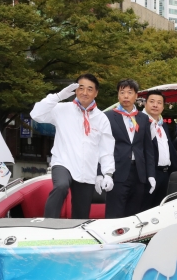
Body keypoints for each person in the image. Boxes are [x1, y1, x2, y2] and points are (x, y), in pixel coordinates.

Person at [30, 75, 115, 218]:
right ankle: (48, 223)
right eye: (81, 88)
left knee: (81, 213)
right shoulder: (62, 109)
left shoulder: (101, 119)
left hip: (87, 170)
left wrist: (108, 174)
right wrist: (57, 96)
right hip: (63, 162)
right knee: (61, 186)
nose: (85, 93)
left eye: (90, 89)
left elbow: (106, 149)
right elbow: (36, 114)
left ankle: (77, 237)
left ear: (96, 93)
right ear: (75, 90)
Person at [102, 79, 156, 219]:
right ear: (118, 95)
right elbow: (101, 147)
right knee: (114, 215)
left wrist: (150, 174)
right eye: (122, 92)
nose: (126, 96)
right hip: (117, 172)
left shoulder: (143, 118)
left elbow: (147, 149)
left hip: (138, 174)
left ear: (136, 95)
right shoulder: (107, 117)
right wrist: (101, 173)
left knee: (134, 216)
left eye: (130, 92)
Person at [142, 90, 177, 208]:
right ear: (145, 104)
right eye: (152, 102)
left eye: (159, 103)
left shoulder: (162, 125)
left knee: (160, 209)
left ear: (163, 107)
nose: (155, 105)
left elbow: (169, 149)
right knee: (145, 209)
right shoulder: (140, 122)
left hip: (165, 174)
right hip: (148, 175)